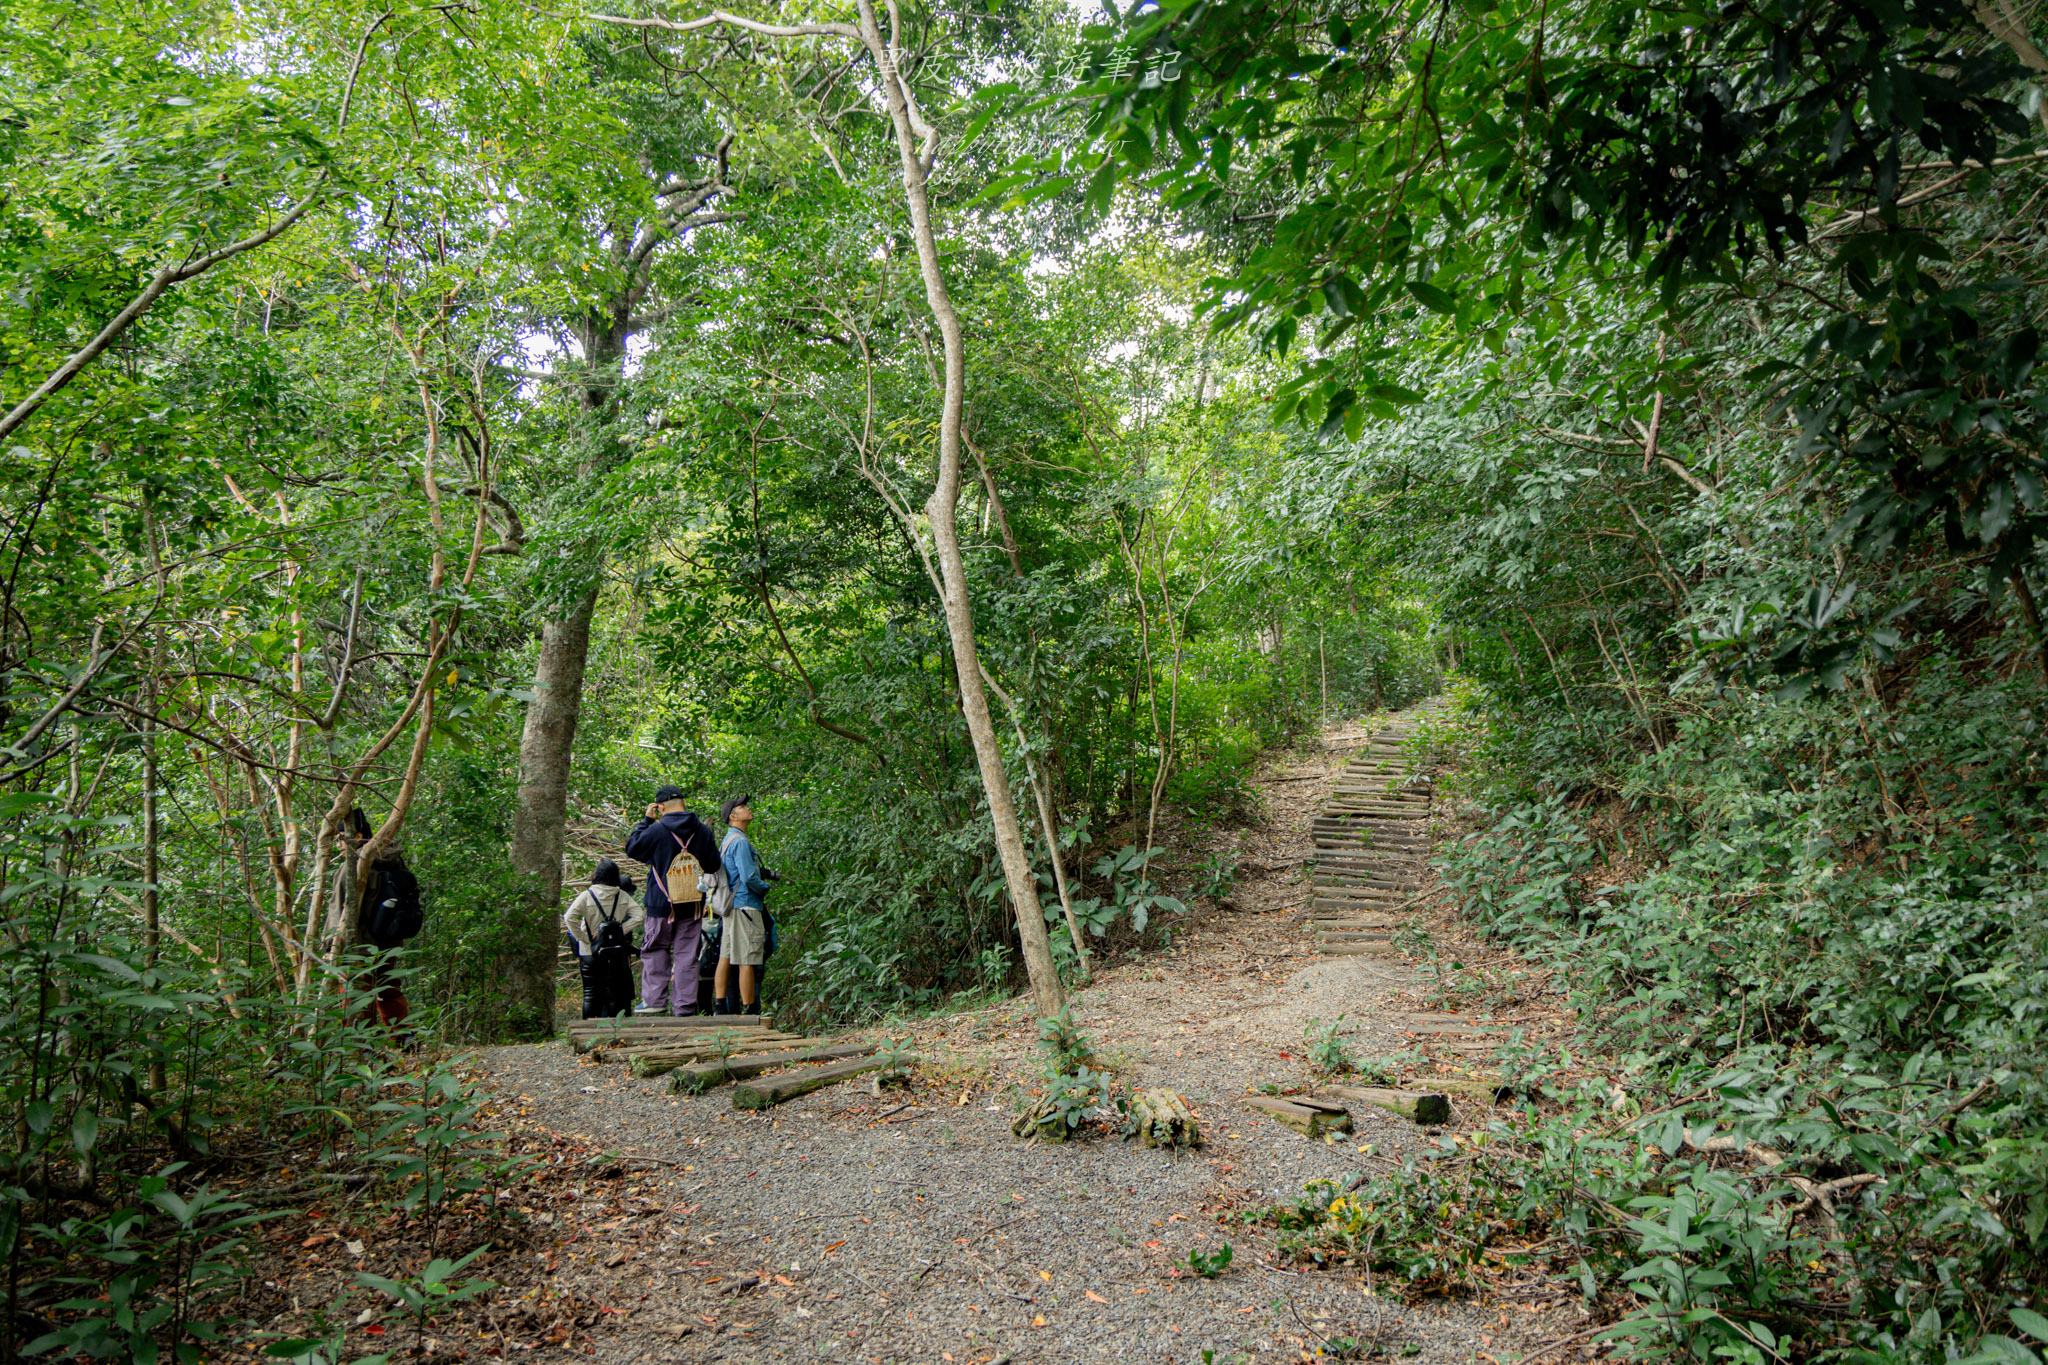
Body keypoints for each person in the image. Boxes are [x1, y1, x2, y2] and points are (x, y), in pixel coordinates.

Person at [623, 784, 723, 1015]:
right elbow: (713, 865)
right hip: (693, 903)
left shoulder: (656, 830)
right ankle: (685, 1006)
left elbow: (632, 848)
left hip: (661, 903)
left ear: (660, 806)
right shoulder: (702, 831)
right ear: (683, 802)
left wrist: (646, 821)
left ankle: (655, 1002)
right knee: (687, 954)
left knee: (656, 948)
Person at [342, 808, 422, 1028]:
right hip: (389, 939)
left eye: (341, 838)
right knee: (388, 988)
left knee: (356, 990)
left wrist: (332, 945)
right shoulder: (390, 859)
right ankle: (405, 1041)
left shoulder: (352, 867)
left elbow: (338, 910)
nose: (338, 844)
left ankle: (361, 1047)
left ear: (356, 836)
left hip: (361, 943)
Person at [714, 794, 774, 1016]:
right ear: (733, 816)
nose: (748, 809)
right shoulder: (740, 841)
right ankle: (750, 1011)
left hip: (731, 907)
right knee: (747, 958)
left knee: (726, 956)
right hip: (745, 906)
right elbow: (748, 877)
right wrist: (765, 887)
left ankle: (720, 1007)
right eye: (743, 807)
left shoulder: (727, 840)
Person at [562, 859, 643, 1019]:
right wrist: (621, 930)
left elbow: (569, 917)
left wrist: (584, 938)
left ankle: (588, 1028)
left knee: (590, 993)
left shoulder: (586, 896)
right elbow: (639, 915)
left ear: (597, 875)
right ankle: (616, 1029)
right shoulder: (622, 896)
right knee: (615, 993)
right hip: (615, 952)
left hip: (589, 952)